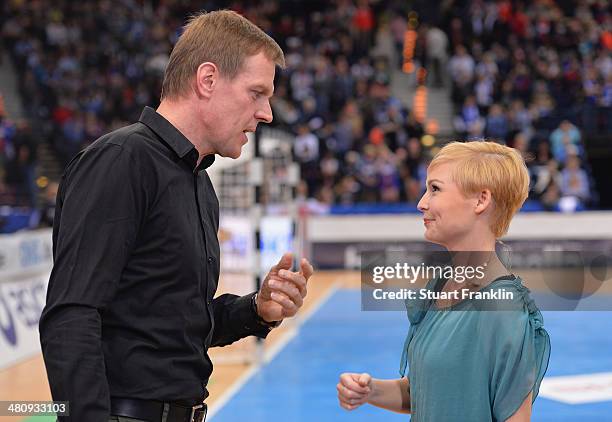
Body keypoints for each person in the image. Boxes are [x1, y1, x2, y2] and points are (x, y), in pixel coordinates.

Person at [40, 10, 314, 422]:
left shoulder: (199, 183)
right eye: (256, 93)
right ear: (207, 80)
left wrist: (257, 309)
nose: (267, 113)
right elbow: (72, 315)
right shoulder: (121, 161)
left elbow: (175, 326)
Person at [337, 141, 550, 421]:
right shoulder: (440, 286)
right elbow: (431, 391)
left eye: (435, 189)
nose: (421, 203)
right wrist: (371, 391)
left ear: (481, 200)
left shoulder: (503, 308)